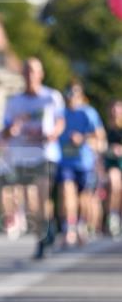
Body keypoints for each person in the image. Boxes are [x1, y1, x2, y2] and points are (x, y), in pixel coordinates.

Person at [1, 58, 65, 259]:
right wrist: (11, 129)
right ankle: (47, 230)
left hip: (45, 154)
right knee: (31, 202)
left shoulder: (51, 97)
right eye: (26, 71)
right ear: (22, 75)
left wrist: (53, 134)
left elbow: (60, 121)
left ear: (41, 74)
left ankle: (42, 240)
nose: (30, 75)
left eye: (33, 71)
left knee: (42, 196)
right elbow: (5, 131)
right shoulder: (14, 102)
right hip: (22, 157)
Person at [56, 83, 101, 247]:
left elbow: (99, 136)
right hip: (64, 161)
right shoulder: (60, 113)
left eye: (74, 94)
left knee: (83, 197)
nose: (71, 98)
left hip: (84, 162)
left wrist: (82, 139)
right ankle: (69, 228)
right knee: (66, 191)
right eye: (68, 94)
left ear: (80, 95)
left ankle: (81, 225)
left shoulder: (88, 113)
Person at [104, 99, 122, 237]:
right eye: (113, 108)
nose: (115, 111)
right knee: (114, 184)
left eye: (118, 108)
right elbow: (98, 144)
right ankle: (112, 216)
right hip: (111, 165)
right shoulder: (106, 129)